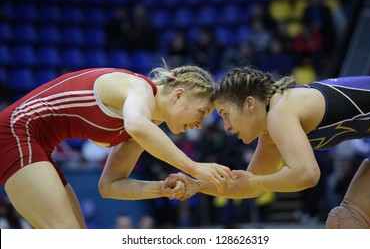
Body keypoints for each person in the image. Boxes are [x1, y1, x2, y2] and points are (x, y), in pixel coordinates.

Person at [0, 65, 233, 229]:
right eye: (201, 112)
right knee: (66, 235)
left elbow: (110, 186)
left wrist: (163, 188)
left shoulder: (146, 123)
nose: (200, 123)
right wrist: (194, 167)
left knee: (75, 237)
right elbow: (136, 125)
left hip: (35, 143)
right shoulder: (139, 89)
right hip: (14, 132)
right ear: (179, 95)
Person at [167, 67, 370, 229]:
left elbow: (306, 174)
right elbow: (248, 186)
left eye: (226, 114)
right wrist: (197, 185)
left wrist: (255, 181)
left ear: (250, 104)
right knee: (346, 223)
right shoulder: (271, 130)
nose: (226, 127)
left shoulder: (281, 110)